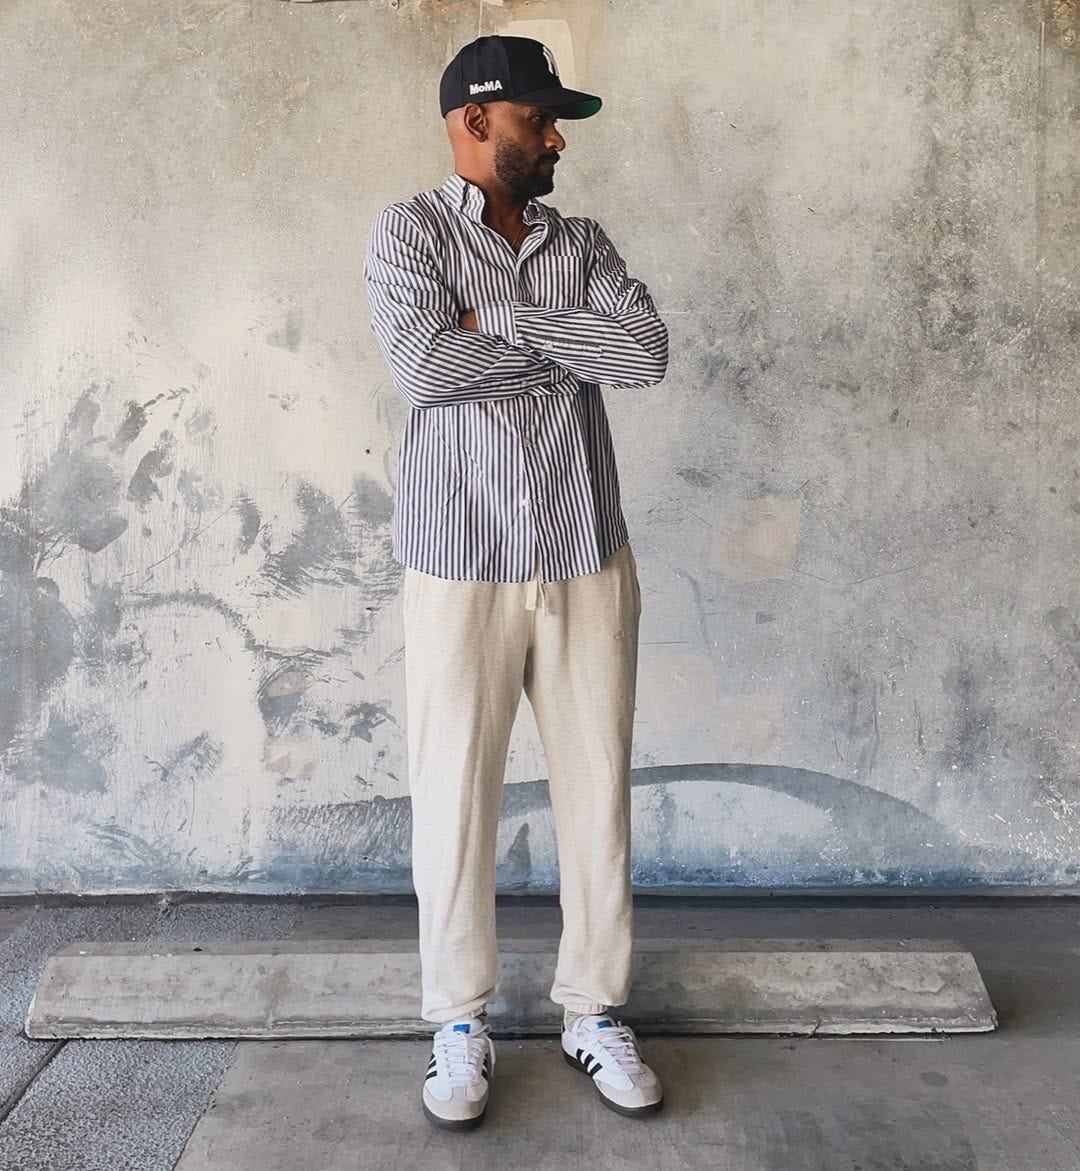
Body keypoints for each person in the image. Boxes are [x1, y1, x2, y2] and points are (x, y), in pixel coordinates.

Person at [363, 33, 669, 1131]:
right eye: (539, 120)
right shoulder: (408, 232)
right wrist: (568, 346)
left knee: (598, 789)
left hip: (586, 551)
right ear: (475, 121)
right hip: (462, 558)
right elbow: (423, 366)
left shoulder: (582, 240)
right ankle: (458, 1020)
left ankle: (594, 1007)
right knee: (454, 794)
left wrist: (495, 319)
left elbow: (644, 352)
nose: (556, 140)